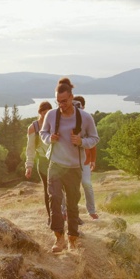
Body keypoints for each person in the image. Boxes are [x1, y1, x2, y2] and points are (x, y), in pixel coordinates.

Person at [40, 78, 99, 252]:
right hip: (56, 164)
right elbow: (43, 133)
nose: (61, 105)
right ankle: (59, 238)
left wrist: (81, 141)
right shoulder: (51, 115)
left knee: (72, 204)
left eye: (64, 101)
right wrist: (49, 138)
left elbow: (95, 139)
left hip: (74, 167)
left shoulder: (85, 117)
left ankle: (73, 237)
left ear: (71, 97)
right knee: (55, 200)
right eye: (58, 102)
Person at [25, 101, 53, 225]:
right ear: (40, 113)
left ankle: (64, 214)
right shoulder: (33, 128)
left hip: (57, 160)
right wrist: (29, 166)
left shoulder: (55, 125)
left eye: (49, 113)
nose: (47, 115)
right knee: (48, 190)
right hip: (42, 161)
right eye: (45, 113)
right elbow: (30, 149)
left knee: (61, 189)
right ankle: (51, 217)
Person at [73, 95, 99, 220]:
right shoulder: (67, 119)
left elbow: (93, 141)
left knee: (87, 184)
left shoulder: (87, 119)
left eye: (79, 105)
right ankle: (68, 211)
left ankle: (91, 211)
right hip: (71, 160)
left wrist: (93, 159)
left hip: (85, 160)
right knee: (70, 187)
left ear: (83, 106)